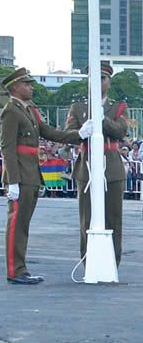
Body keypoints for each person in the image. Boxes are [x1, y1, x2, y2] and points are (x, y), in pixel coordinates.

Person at [0, 67, 82, 285]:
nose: (31, 87)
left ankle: (20, 268)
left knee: (23, 224)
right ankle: (15, 270)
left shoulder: (29, 109)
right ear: (15, 87)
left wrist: (79, 135)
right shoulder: (11, 111)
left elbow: (49, 132)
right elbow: (7, 147)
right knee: (17, 224)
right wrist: (13, 181)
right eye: (27, 84)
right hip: (21, 175)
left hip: (31, 173)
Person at [64, 63, 127, 264]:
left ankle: (112, 264)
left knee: (113, 219)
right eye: (93, 78)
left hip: (112, 168)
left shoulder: (118, 107)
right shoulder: (78, 107)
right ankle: (89, 263)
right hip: (87, 167)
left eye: (102, 78)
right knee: (87, 219)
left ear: (109, 82)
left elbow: (120, 131)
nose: (98, 82)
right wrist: (81, 131)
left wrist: (103, 118)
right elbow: (68, 134)